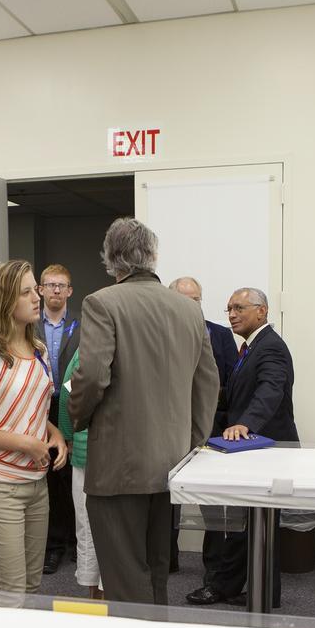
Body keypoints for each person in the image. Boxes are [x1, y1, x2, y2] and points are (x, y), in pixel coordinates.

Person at [69, 219, 218, 605]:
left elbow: (92, 376)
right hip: (170, 464)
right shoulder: (188, 310)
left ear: (110, 260)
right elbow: (207, 385)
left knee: (123, 577)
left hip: (118, 465)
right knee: (157, 571)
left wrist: (79, 420)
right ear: (153, 256)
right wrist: (191, 446)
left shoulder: (102, 303)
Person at [0, 259, 68, 607]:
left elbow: (29, 407)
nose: (37, 297)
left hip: (36, 486)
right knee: (9, 594)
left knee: (32, 590)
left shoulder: (38, 350)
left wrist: (53, 434)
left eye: (35, 288)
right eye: (26, 292)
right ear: (5, 301)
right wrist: (24, 442)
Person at [186, 287, 299, 606]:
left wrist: (244, 424)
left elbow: (269, 392)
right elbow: (237, 396)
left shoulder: (271, 348)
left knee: (251, 527)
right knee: (247, 527)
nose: (232, 315)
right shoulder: (250, 348)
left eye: (239, 308)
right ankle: (255, 590)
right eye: (229, 309)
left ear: (261, 311)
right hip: (250, 451)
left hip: (266, 451)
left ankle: (234, 588)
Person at [167, 276, 239, 574]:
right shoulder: (159, 334)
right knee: (168, 503)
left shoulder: (221, 335)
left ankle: (213, 568)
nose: (192, 305)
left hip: (211, 432)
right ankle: (167, 561)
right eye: (185, 299)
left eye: (196, 299)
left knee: (211, 506)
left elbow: (233, 384)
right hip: (169, 431)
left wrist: (206, 395)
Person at [38, 263, 79, 575]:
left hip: (69, 408)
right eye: (49, 285)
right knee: (47, 477)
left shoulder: (80, 327)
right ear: (40, 290)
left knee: (70, 478)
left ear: (69, 291)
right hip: (36, 410)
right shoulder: (28, 325)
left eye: (60, 285)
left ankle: (78, 543)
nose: (54, 290)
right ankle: (53, 546)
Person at [57, 347, 100, 598]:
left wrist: (69, 436)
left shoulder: (88, 347)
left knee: (89, 527)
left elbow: (67, 394)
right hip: (125, 454)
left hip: (87, 448)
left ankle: (96, 599)